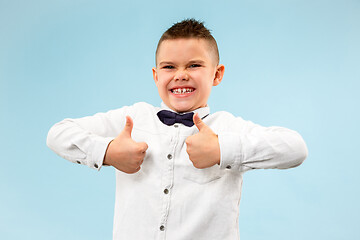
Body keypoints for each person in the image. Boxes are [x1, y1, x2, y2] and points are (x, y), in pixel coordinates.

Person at [47, 19, 308, 240]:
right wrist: (108, 152)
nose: (180, 75)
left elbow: (295, 148)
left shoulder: (227, 127)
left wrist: (221, 149)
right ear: (155, 75)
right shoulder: (133, 119)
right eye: (169, 66)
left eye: (194, 65)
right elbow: (57, 134)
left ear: (217, 75)